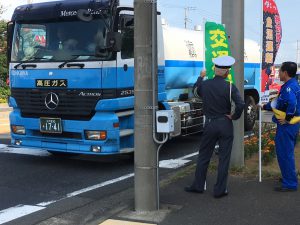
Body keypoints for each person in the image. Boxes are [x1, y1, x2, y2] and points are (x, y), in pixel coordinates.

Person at [185, 55, 245, 198]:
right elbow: (241, 104)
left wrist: (201, 77)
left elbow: (195, 92)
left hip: (210, 123)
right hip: (225, 123)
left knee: (204, 156)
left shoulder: (205, 84)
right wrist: (234, 116)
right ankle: (220, 190)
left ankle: (198, 186)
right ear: (227, 72)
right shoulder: (230, 86)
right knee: (224, 158)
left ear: (215, 69)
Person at [260, 61, 300, 192]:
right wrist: (265, 106)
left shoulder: (289, 87)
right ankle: (289, 177)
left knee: (285, 153)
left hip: (287, 126)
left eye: (280, 71)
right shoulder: (292, 84)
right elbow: (280, 103)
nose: (279, 73)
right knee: (287, 152)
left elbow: (292, 103)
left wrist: (287, 119)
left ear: (285, 73)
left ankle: (290, 183)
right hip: (292, 125)